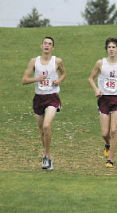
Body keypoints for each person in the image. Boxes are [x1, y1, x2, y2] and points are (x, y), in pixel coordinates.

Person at [22, 37, 66, 171]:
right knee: (42, 131)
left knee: (47, 125)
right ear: (41, 46)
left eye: (50, 44)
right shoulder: (34, 61)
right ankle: (49, 156)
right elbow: (24, 80)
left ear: (53, 48)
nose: (47, 46)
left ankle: (46, 156)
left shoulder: (57, 61)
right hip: (39, 98)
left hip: (52, 97)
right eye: (45, 43)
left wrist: (59, 80)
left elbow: (64, 73)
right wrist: (37, 79)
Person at [88, 38, 117, 168]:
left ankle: (110, 159)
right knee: (105, 133)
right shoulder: (100, 63)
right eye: (109, 47)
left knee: (114, 130)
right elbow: (91, 78)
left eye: (114, 47)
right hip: (104, 99)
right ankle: (107, 144)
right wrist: (96, 89)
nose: (111, 49)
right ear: (106, 49)